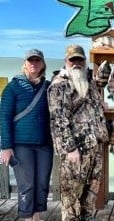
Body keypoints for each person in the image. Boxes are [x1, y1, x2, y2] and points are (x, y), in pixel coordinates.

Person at [48, 44, 109, 221]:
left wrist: (101, 106)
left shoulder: (87, 81)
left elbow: (91, 105)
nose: (76, 63)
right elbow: (58, 121)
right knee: (71, 200)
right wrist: (70, 149)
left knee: (89, 200)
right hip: (76, 152)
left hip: (95, 148)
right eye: (72, 59)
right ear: (65, 61)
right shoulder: (58, 86)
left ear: (84, 61)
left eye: (79, 59)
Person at [0, 49, 53, 221]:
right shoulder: (13, 87)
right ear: (25, 63)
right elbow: (4, 118)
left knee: (42, 184)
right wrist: (6, 147)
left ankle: (36, 216)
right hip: (21, 145)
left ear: (43, 64)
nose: (34, 63)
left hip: (45, 145)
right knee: (27, 185)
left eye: (37, 60)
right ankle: (26, 218)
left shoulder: (49, 87)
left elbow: (67, 103)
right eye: (30, 60)